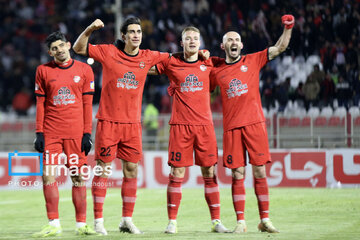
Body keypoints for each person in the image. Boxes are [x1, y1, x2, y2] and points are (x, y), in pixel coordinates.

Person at [72, 17, 171, 235]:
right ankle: (98, 221)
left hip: (133, 124)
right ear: (123, 36)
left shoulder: (148, 56)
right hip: (109, 122)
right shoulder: (108, 52)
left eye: (139, 32)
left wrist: (200, 55)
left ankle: (126, 220)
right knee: (103, 170)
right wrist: (90, 28)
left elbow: (174, 60)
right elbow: (78, 48)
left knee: (132, 170)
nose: (136, 35)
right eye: (132, 32)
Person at [209, 14, 295, 233]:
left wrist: (288, 27)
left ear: (241, 44)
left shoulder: (252, 60)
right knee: (237, 175)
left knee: (259, 172)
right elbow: (197, 80)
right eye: (229, 40)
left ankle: (264, 219)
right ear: (223, 45)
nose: (234, 42)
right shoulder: (215, 70)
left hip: (255, 124)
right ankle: (241, 222)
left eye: (236, 39)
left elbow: (280, 47)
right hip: (232, 128)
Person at [153, 26, 229, 234]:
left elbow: (229, 66)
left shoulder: (209, 63)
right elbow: (147, 68)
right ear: (182, 43)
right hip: (180, 126)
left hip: (205, 126)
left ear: (201, 42)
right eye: (188, 38)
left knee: (210, 173)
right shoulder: (172, 63)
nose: (193, 41)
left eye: (196, 38)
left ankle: (216, 221)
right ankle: (172, 222)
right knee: (176, 173)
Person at [33, 31, 96, 237]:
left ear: (69, 45)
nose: (59, 50)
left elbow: (88, 104)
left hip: (76, 133)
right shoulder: (43, 71)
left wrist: (87, 133)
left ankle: (81, 225)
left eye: (61, 45)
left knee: (78, 178)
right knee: (47, 176)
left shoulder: (85, 70)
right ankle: (54, 224)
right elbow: (40, 104)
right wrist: (39, 133)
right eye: (54, 48)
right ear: (50, 52)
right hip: (51, 132)